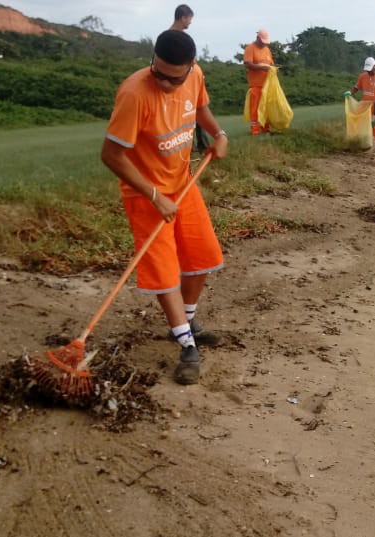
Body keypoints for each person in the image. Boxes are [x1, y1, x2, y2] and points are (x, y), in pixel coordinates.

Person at [101, 29, 229, 385]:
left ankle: (186, 320)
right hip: (146, 195)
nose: (166, 84)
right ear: (153, 61)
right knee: (163, 271)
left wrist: (219, 134)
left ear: (190, 68)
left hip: (183, 184)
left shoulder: (196, 76)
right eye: (159, 74)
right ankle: (187, 345)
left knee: (202, 258)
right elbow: (111, 155)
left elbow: (201, 107)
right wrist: (155, 196)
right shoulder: (134, 93)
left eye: (175, 79)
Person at [169, 4, 211, 154]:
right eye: (189, 19)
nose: (190, 23)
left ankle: (201, 145)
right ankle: (192, 147)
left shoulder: (179, 36)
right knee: (188, 114)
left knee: (196, 111)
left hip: (191, 81)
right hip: (182, 84)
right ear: (183, 17)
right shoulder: (172, 38)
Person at [345, 57, 375, 153]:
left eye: (370, 69)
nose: (368, 72)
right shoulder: (362, 76)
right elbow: (356, 88)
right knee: (357, 121)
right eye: (367, 69)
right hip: (364, 104)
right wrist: (350, 92)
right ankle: (358, 144)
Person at [242, 28, 275, 135]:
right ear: (257, 38)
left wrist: (272, 69)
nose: (263, 44)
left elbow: (271, 64)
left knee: (266, 108)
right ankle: (255, 130)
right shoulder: (250, 48)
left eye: (265, 42)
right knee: (255, 108)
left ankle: (266, 128)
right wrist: (260, 67)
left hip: (267, 85)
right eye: (262, 42)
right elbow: (248, 64)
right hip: (256, 85)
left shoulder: (267, 50)